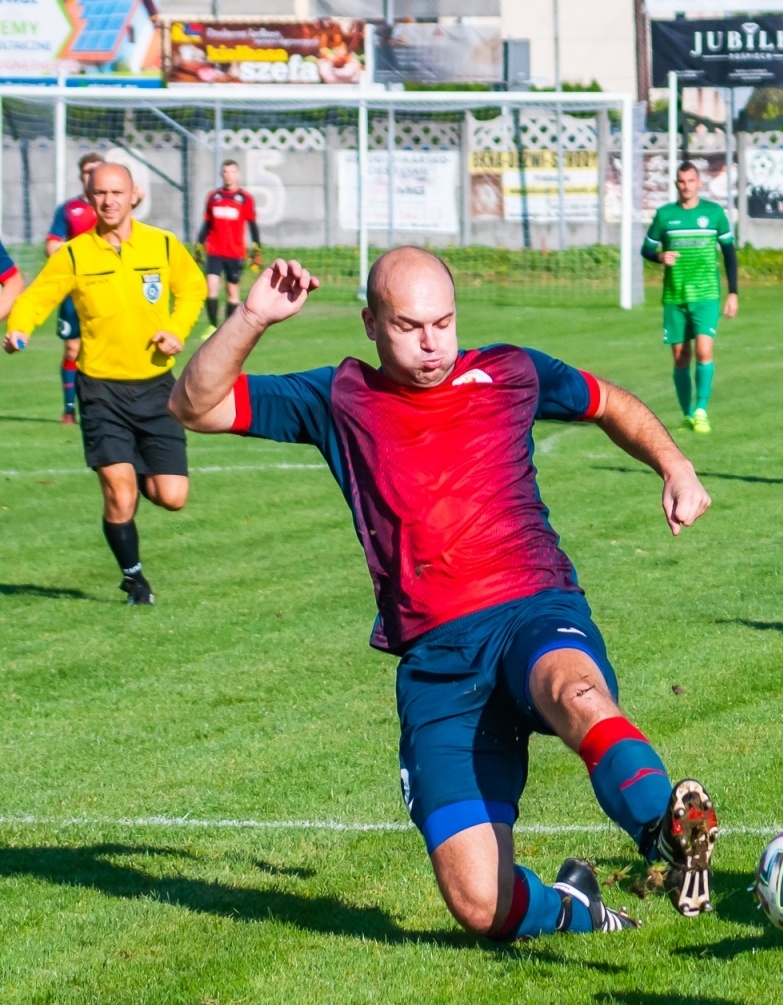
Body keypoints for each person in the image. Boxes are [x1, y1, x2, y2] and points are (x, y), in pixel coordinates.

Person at [168, 248, 722, 940]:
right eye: (409, 326)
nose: (432, 342)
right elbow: (194, 405)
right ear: (370, 323)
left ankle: (663, 832)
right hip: (438, 662)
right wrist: (252, 317)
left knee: (576, 693)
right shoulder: (337, 398)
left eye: (443, 322)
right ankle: (576, 908)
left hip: (533, 608)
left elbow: (609, 401)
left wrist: (673, 463)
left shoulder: (511, 372)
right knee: (481, 906)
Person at [5, 162, 206, 605]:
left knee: (172, 497)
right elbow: (36, 298)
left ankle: (130, 465)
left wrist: (177, 329)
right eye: (100, 193)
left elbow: (192, 289)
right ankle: (134, 579)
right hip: (100, 390)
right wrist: (19, 328)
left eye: (117, 192)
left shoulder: (164, 245)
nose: (109, 200)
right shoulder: (75, 255)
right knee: (119, 490)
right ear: (89, 197)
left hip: (156, 387)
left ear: (135, 194)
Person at [641, 162, 737, 434]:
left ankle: (701, 410)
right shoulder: (664, 215)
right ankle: (686, 415)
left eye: (691, 181)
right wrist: (660, 256)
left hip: (706, 295)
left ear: (699, 183)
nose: (686, 186)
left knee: (704, 350)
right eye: (681, 182)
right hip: (675, 296)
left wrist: (733, 293)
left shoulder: (714, 213)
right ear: (676, 185)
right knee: (681, 356)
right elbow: (646, 249)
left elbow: (730, 253)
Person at [44, 152, 104, 423]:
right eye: (86, 171)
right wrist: (76, 253)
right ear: (81, 176)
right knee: (72, 349)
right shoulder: (68, 209)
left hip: (107, 289)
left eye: (95, 170)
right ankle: (70, 408)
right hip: (75, 290)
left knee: (104, 349)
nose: (90, 175)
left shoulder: (111, 208)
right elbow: (52, 245)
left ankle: (101, 406)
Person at [194, 159, 262, 339]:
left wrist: (256, 249)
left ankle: (228, 329)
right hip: (214, 251)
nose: (229, 175)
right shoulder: (213, 197)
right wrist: (199, 245)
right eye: (226, 172)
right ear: (221, 174)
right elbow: (207, 224)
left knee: (232, 292)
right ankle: (212, 325)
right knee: (211, 287)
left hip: (235, 253)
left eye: (232, 172)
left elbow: (253, 225)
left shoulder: (245, 199)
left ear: (237, 174)